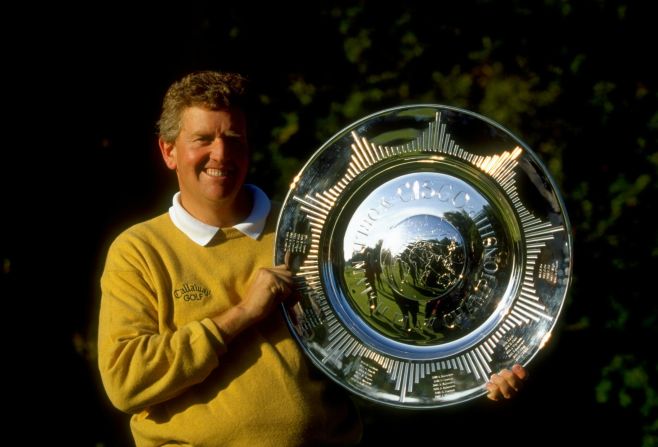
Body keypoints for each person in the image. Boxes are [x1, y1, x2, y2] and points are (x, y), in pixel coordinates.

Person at [97, 70, 527, 447]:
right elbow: (126, 381)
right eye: (202, 140)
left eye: (233, 139)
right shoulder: (140, 251)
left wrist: (479, 375)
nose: (221, 155)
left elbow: (388, 343)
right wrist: (244, 314)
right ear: (169, 151)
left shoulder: (313, 235)